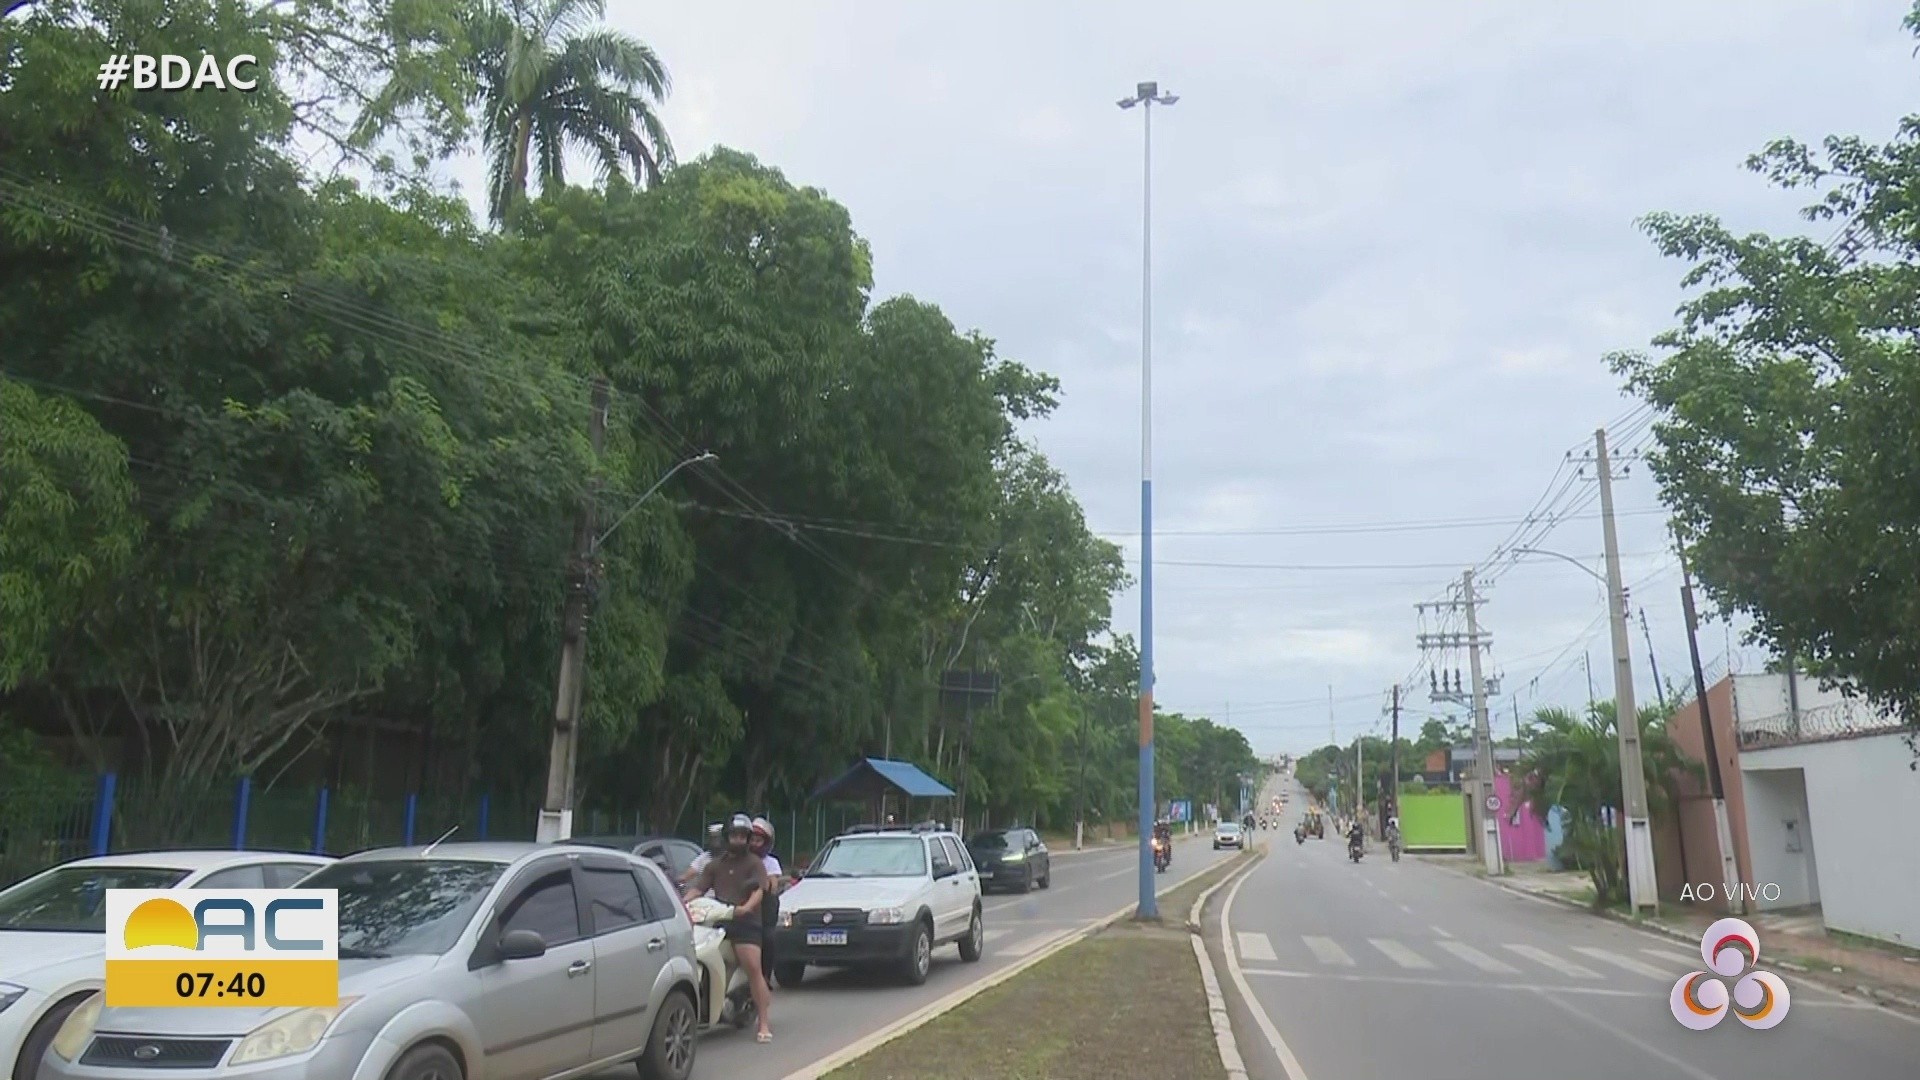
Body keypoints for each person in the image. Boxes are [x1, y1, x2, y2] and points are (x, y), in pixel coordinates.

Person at [684, 814, 774, 1043]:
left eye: (743, 836)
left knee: (753, 967)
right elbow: (699, 889)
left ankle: (763, 1023)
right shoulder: (715, 865)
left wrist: (746, 908)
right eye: (734, 835)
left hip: (746, 923)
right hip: (718, 920)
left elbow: (759, 891)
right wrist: (684, 903)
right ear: (727, 837)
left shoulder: (755, 863)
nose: (738, 840)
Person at [749, 816, 783, 982]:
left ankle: (765, 976)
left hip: (765, 905)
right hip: (741, 903)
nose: (755, 843)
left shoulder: (771, 862)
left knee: (767, 937)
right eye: (752, 839)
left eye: (759, 840)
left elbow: (773, 885)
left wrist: (762, 886)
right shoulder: (740, 860)